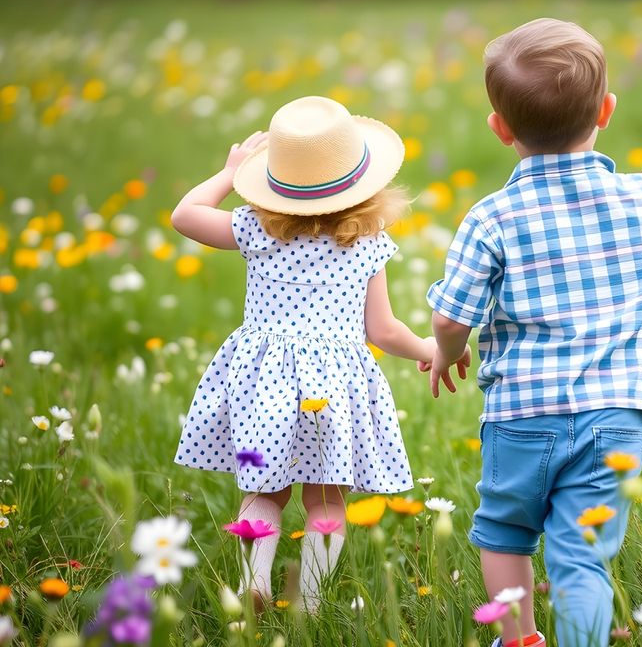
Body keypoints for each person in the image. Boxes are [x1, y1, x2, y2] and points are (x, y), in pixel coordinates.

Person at [426, 18, 642, 647]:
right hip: (615, 421)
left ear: (501, 128)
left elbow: (450, 317)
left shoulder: (492, 215)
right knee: (582, 554)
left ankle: (519, 641)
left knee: (506, 531)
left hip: (521, 415)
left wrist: (447, 353)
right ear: (606, 110)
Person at [171, 95, 466, 613]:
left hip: (266, 381)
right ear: (363, 183)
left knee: (264, 491)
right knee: (327, 500)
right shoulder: (368, 242)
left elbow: (185, 216)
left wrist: (228, 172)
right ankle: (307, 603)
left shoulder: (256, 230)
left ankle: (255, 585)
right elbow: (384, 328)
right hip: (335, 388)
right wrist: (429, 349)